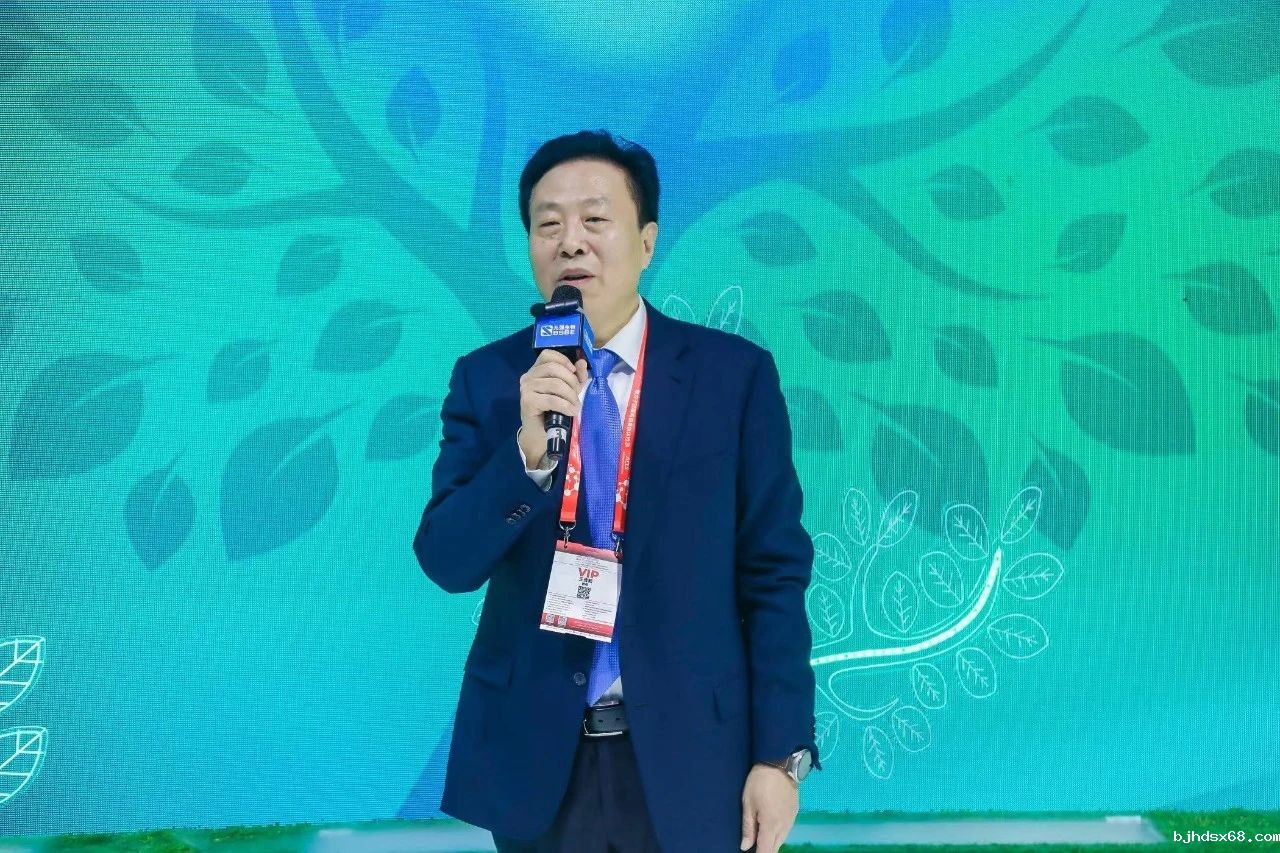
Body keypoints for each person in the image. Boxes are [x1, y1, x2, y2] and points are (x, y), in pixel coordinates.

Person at [413, 129, 819, 853]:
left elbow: (773, 572)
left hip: (696, 755)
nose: (571, 241)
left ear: (647, 241)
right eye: (548, 224)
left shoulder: (732, 377)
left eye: (595, 219)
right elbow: (447, 561)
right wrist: (526, 456)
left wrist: (780, 755)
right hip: (540, 759)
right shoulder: (488, 380)